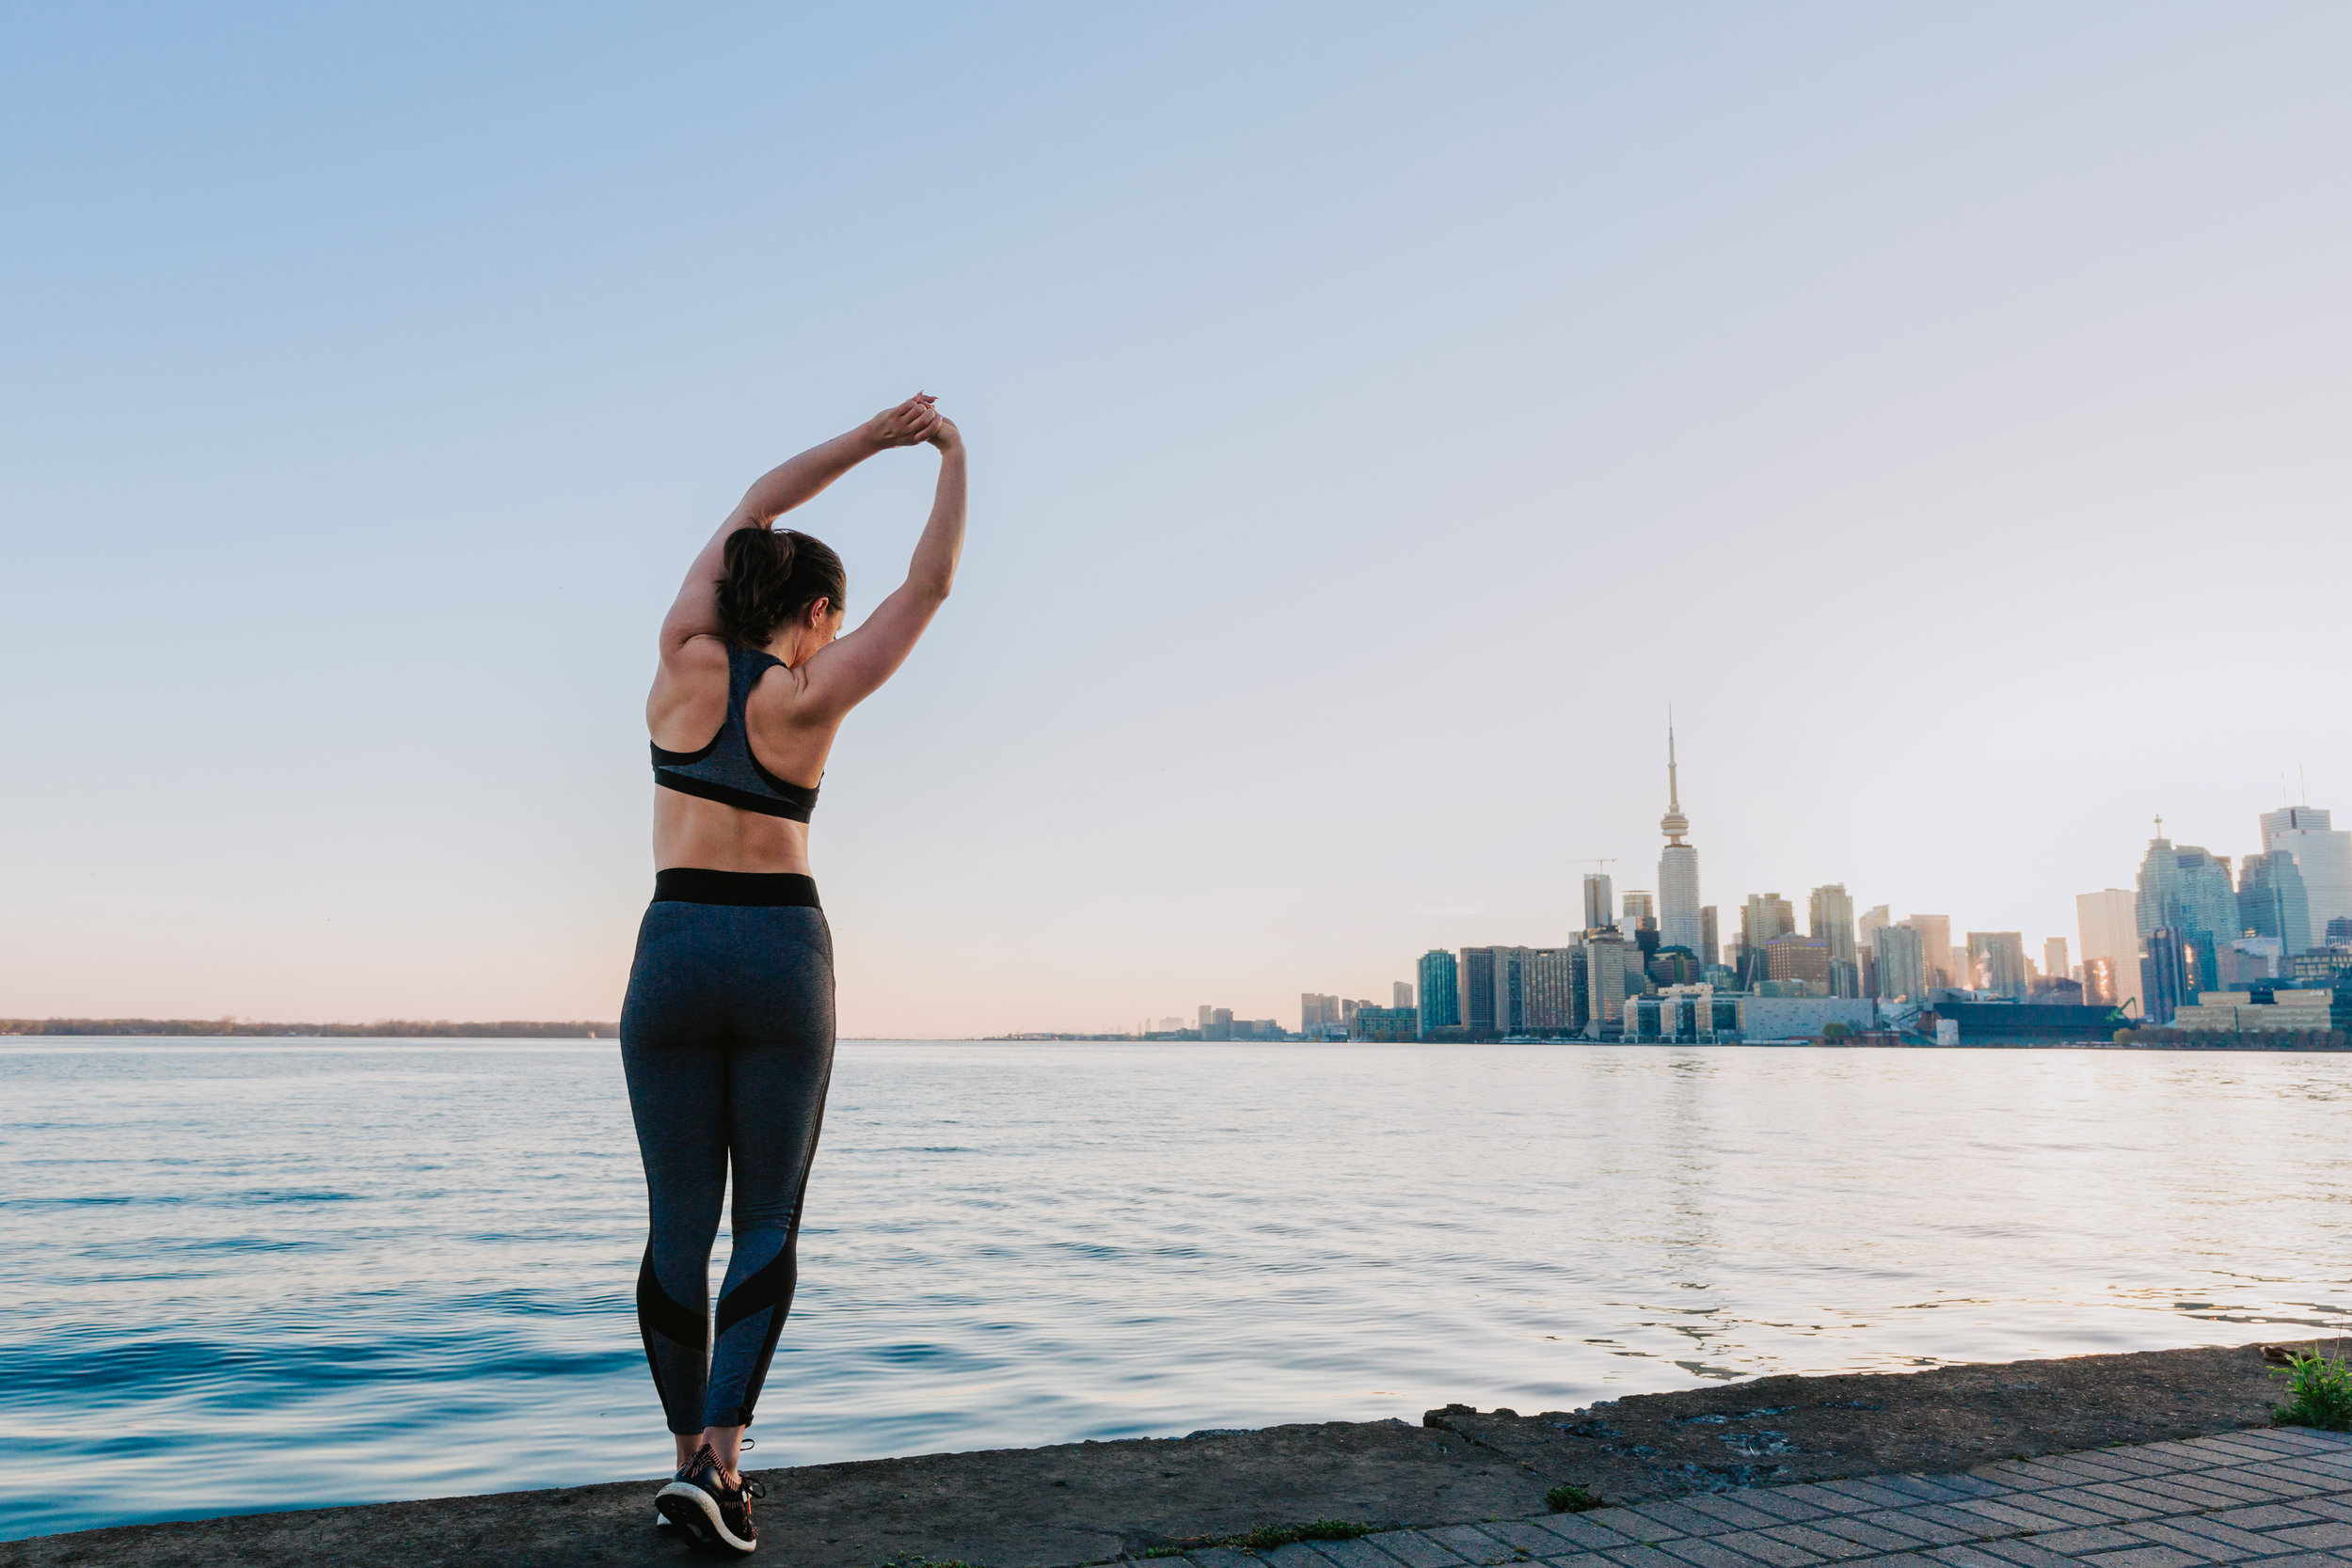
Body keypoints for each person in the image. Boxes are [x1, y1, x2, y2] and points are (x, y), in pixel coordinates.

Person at [621, 394, 964, 1555]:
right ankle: (725, 1459)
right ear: (815, 612)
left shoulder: (679, 656)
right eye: (832, 618)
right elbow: (931, 589)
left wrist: (865, 442)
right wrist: (946, 459)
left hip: (670, 950)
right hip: (777, 952)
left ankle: (680, 1464)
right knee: (765, 1217)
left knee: (679, 1223)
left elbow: (759, 503)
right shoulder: (808, 696)